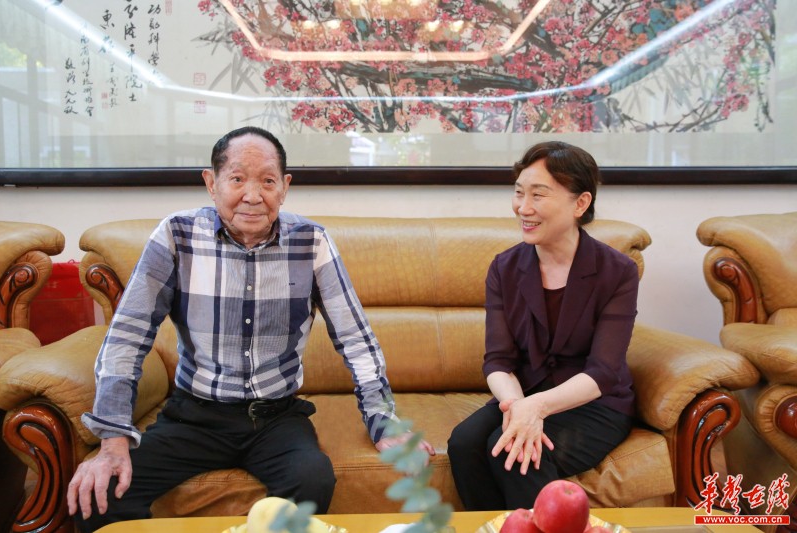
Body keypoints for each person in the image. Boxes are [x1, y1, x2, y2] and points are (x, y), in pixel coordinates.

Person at [67, 126, 434, 531]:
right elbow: (128, 336)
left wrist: (384, 421)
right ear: (212, 183)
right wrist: (113, 438)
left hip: (275, 418)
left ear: (285, 187)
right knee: (100, 495)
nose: (253, 195)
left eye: (268, 181)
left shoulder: (311, 241)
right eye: (238, 179)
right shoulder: (177, 235)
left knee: (312, 479)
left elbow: (356, 339)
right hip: (195, 417)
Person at [447, 141, 637, 510]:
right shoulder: (504, 267)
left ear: (580, 203)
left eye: (538, 195)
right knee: (464, 442)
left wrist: (537, 409)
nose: (523, 207)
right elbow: (498, 361)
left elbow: (602, 372)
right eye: (519, 193)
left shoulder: (617, 272)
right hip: (522, 393)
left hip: (593, 403)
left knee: (511, 450)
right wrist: (520, 406)